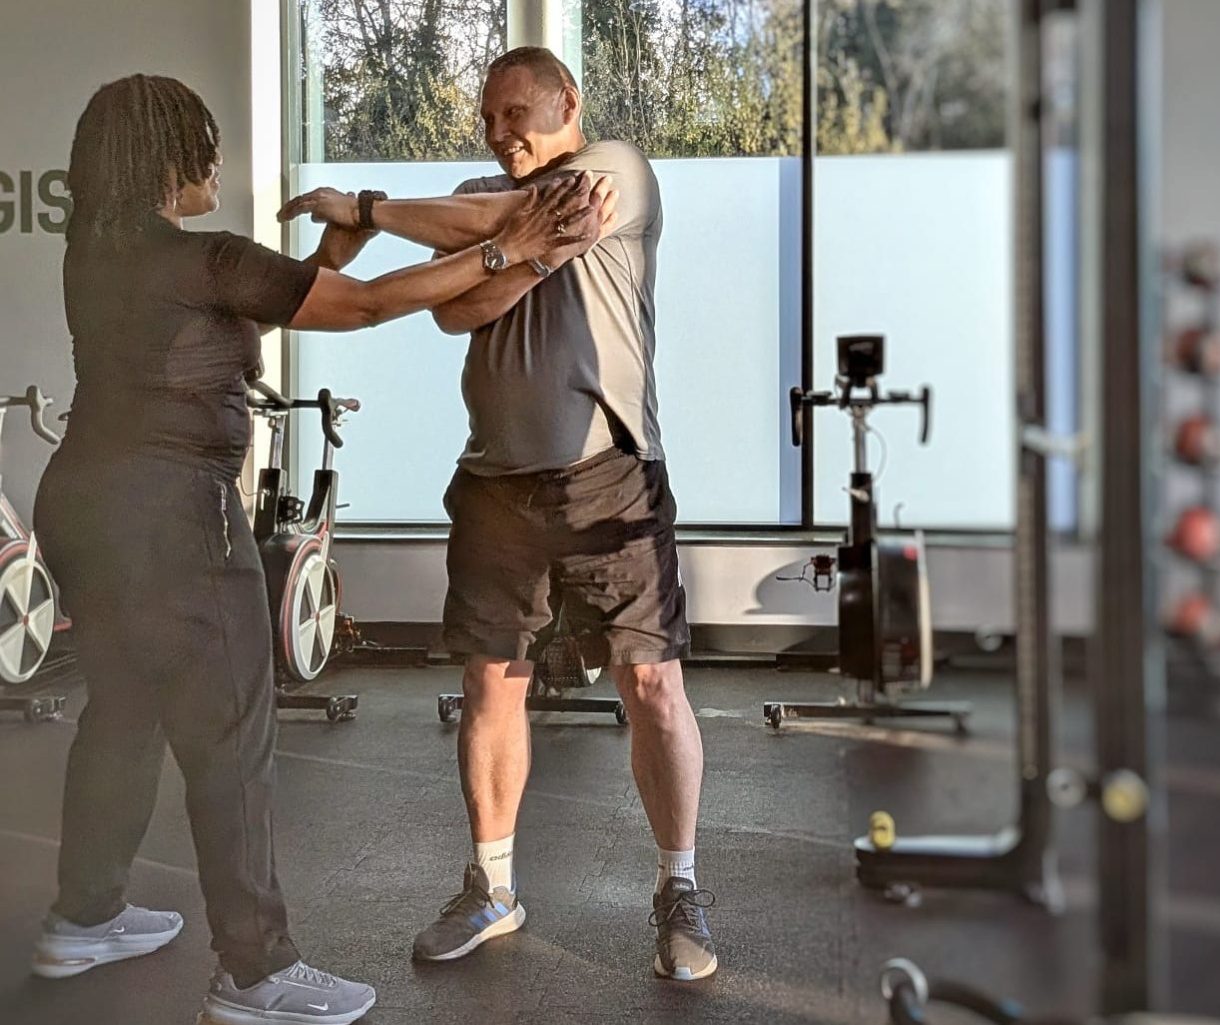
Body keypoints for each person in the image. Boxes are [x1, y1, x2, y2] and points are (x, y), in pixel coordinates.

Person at [33, 73, 610, 1025]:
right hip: (174, 514)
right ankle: (255, 972)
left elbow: (237, 310)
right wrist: (510, 248)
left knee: (124, 709)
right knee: (231, 737)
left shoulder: (95, 255)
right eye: (205, 144)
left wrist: (334, 248)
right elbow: (370, 306)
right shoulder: (204, 256)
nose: (216, 161)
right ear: (169, 158)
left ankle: (83, 916)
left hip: (84, 502)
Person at [278, 46, 716, 982]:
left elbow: (486, 242)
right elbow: (454, 312)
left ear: (567, 101)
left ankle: (679, 888)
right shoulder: (480, 192)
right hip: (493, 482)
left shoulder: (618, 171)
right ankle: (492, 885)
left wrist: (366, 210)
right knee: (491, 683)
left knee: (651, 685)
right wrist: (532, 254)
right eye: (487, 117)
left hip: (610, 475)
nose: (498, 132)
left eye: (515, 111)